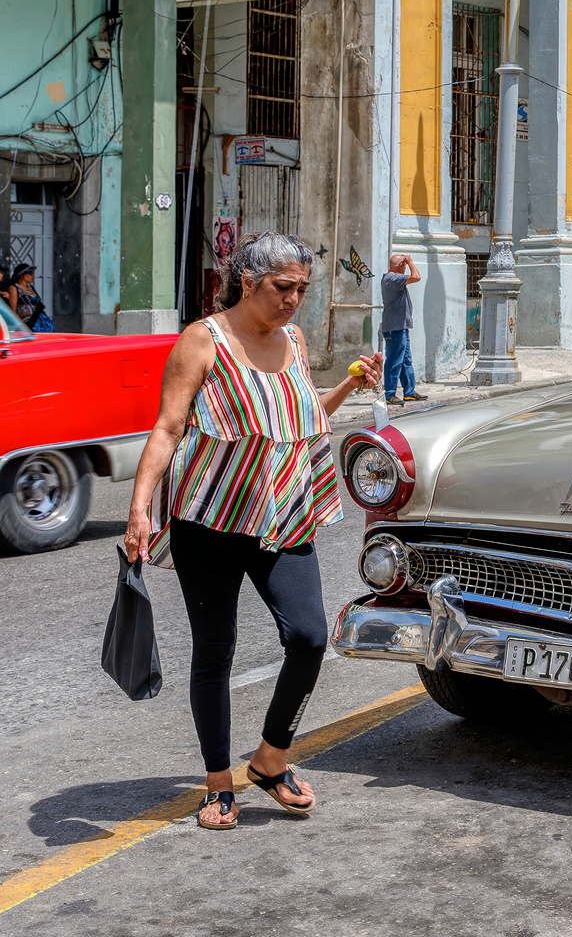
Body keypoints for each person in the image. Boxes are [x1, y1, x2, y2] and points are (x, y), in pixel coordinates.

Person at [124, 231, 382, 831]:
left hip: (282, 514)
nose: (294, 300)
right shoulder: (202, 341)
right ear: (248, 281)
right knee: (215, 651)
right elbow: (167, 427)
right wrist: (140, 509)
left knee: (311, 636)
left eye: (302, 289)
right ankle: (218, 784)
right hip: (209, 520)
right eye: (282, 288)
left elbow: (293, 414)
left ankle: (270, 758)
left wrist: (347, 386)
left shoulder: (291, 339)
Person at [380, 253, 423, 405]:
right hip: (395, 328)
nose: (406, 267)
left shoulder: (394, 279)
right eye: (404, 265)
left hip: (401, 327)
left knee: (405, 360)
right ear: (400, 265)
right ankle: (390, 394)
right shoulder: (392, 278)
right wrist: (411, 261)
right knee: (394, 361)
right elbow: (416, 277)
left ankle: (409, 392)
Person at [5, 264, 53, 332]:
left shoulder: (31, 288)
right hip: (26, 325)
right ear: (22, 275)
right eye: (30, 273)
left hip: (38, 323)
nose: (33, 275)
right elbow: (13, 311)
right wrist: (21, 327)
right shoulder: (14, 288)